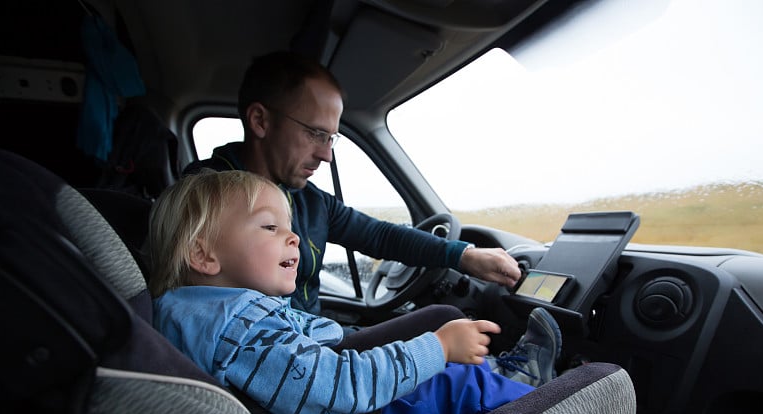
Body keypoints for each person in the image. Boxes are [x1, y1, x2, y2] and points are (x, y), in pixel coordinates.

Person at [148, 170, 561, 414]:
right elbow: (338, 385)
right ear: (203, 254)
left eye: (288, 226)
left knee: (438, 373)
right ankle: (549, 410)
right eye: (269, 228)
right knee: (454, 384)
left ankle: (504, 381)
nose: (293, 236)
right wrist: (437, 346)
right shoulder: (240, 324)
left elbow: (306, 352)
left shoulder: (195, 314)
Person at [183, 50, 522, 316]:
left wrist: (463, 256)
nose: (326, 156)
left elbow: (379, 235)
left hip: (314, 342)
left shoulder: (310, 200)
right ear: (259, 120)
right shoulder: (204, 197)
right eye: (316, 134)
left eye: (331, 139)